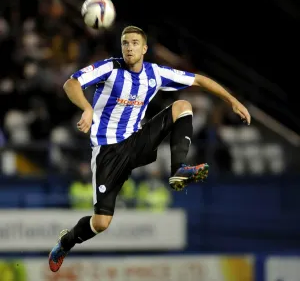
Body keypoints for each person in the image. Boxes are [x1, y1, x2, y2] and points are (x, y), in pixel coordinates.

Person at [48, 25, 251, 272]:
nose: (129, 47)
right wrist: (87, 108)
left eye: (134, 43)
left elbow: (198, 79)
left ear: (144, 48)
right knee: (101, 223)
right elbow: (71, 84)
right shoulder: (110, 68)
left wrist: (233, 101)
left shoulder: (154, 74)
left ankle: (179, 170)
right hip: (108, 151)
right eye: (125, 43)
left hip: (137, 140)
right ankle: (65, 242)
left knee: (183, 105)